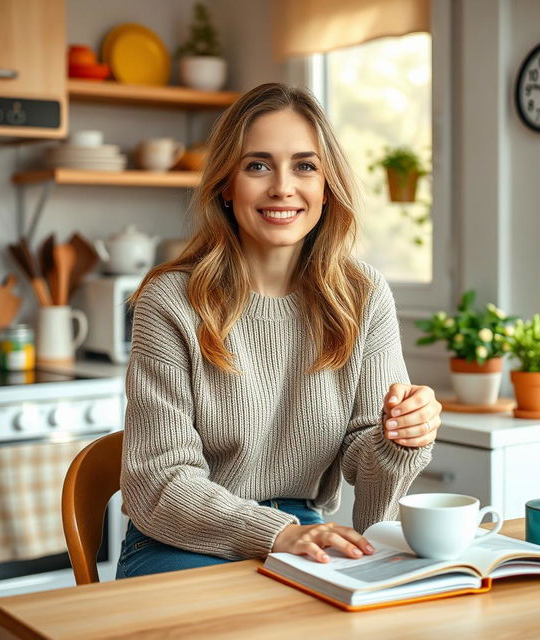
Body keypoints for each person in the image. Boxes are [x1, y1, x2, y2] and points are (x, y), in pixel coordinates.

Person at [116, 82, 442, 579]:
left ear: (327, 185)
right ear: (226, 183)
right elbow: (158, 481)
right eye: (258, 165)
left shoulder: (363, 293)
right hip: (180, 540)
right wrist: (276, 533)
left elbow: (368, 475)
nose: (282, 188)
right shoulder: (170, 301)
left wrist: (401, 440)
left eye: (305, 166)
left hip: (303, 532)